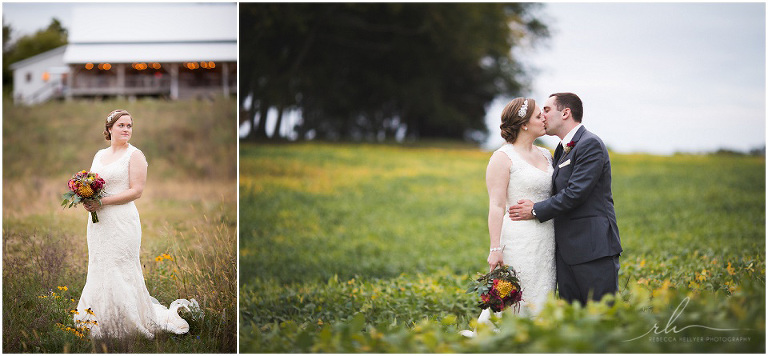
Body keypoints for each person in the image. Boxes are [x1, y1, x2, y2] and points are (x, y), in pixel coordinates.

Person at [75, 109, 196, 339]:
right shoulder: (99, 155)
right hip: (99, 224)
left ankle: (127, 321)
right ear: (109, 129)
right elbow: (90, 183)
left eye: (129, 126)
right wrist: (87, 198)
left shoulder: (135, 155)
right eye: (121, 125)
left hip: (122, 221)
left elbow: (136, 191)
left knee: (121, 269)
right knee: (100, 266)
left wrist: (102, 202)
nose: (126, 130)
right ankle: (99, 317)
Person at [509, 92, 622, 306]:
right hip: (566, 251)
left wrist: (534, 209)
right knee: (573, 317)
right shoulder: (560, 149)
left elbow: (575, 194)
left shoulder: (590, 144)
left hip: (592, 249)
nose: (542, 115)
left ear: (566, 113)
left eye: (547, 109)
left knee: (601, 315)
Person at [460, 97, 556, 338]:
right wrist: (495, 248)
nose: (544, 118)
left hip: (548, 237)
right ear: (524, 124)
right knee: (517, 297)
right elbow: (496, 205)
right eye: (537, 116)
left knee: (543, 294)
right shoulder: (502, 157)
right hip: (518, 239)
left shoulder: (547, 155)